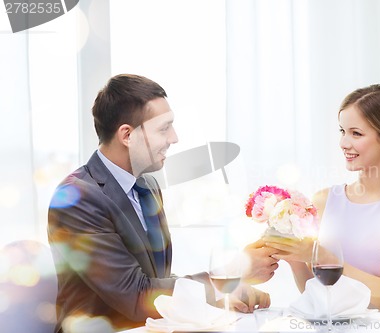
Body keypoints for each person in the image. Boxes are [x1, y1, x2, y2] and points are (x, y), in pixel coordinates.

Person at [47, 74, 274, 332]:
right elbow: (135, 294)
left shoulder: (147, 187)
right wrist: (229, 276)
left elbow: (156, 283)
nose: (174, 138)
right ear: (127, 135)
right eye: (164, 128)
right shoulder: (79, 199)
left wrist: (222, 297)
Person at [265, 84, 380, 312]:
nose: (344, 143)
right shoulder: (324, 200)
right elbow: (316, 293)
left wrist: (320, 256)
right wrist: (293, 255)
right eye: (342, 131)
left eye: (356, 133)